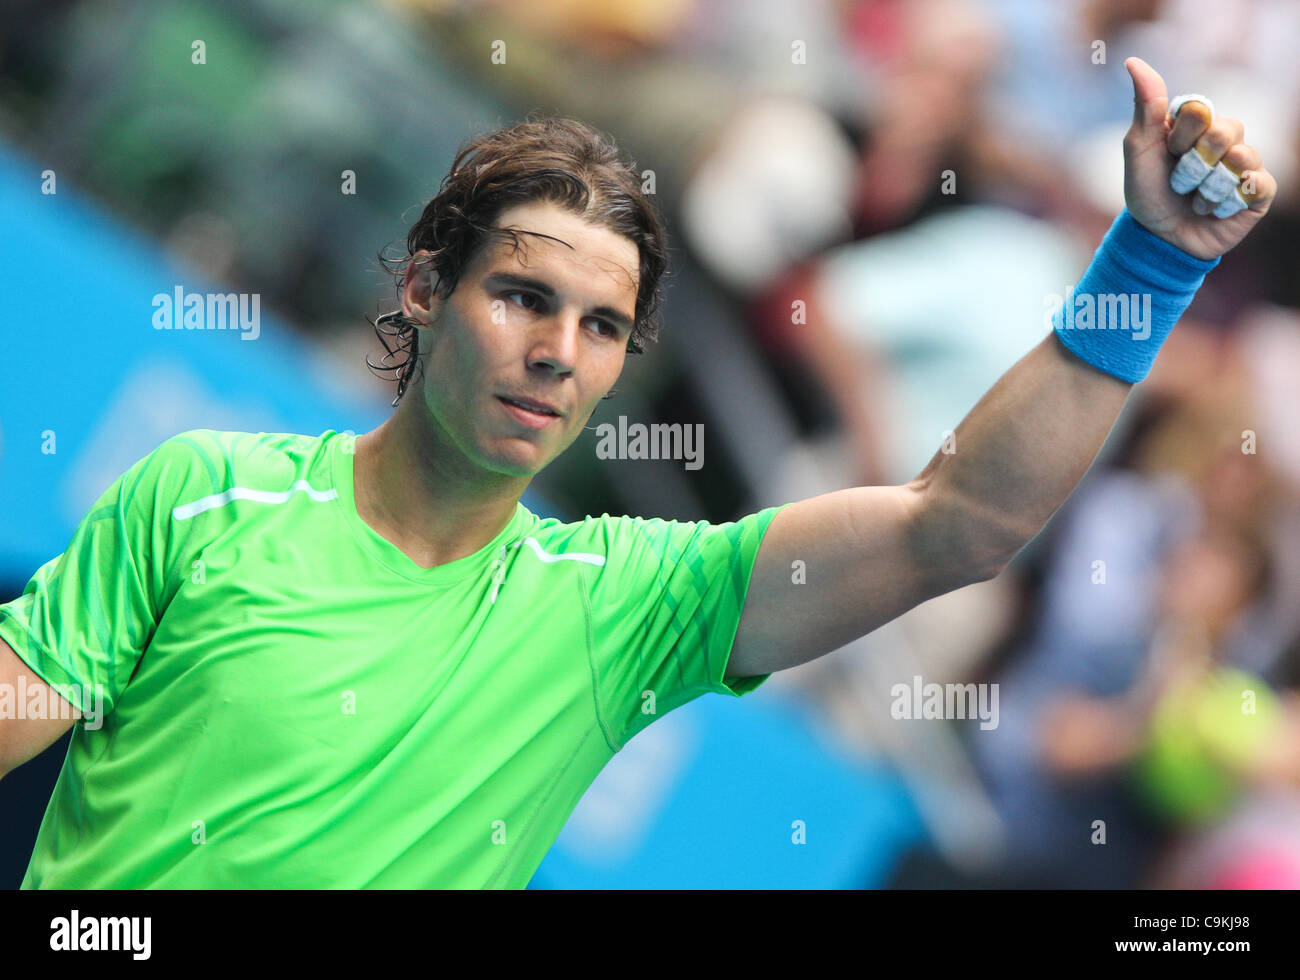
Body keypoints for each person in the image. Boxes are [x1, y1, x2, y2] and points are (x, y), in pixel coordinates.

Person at [0, 59, 1278, 888]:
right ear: (424, 289)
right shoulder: (201, 492)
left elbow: (964, 525)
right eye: (520, 297)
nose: (558, 353)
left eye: (603, 328)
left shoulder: (622, 601)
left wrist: (1148, 271)